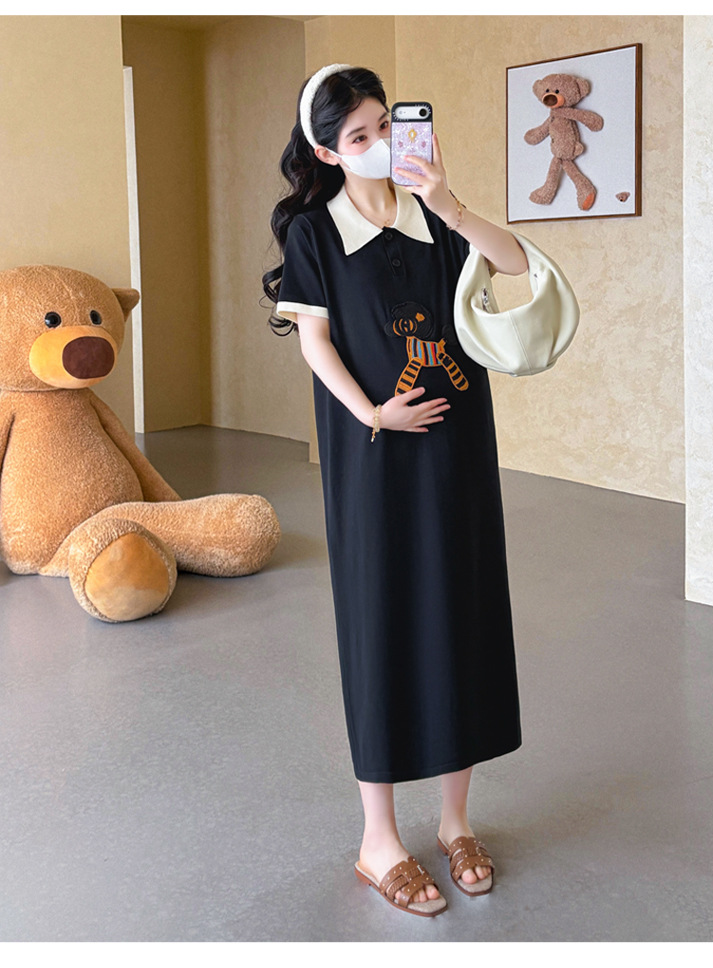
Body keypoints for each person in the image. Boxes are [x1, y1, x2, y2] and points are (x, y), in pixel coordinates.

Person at [263, 64, 526, 918]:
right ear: (327, 153)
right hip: (375, 456)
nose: (379, 144)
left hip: (458, 452)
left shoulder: (433, 215)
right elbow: (315, 343)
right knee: (381, 626)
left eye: (386, 125)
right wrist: (373, 414)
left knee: (462, 617)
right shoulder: (316, 232)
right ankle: (378, 841)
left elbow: (517, 263)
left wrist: (448, 201)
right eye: (360, 136)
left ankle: (455, 822)